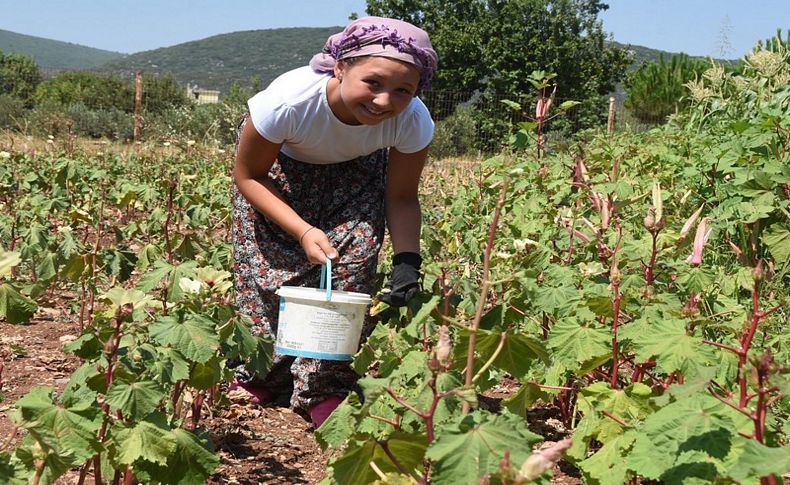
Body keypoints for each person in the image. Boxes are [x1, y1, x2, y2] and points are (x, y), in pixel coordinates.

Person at [230, 16, 438, 428]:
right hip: (278, 170)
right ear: (340, 67)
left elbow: (400, 196)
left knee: (352, 263)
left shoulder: (412, 121)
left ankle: (323, 386)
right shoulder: (288, 103)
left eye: (402, 90)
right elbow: (248, 176)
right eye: (373, 83)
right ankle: (261, 373)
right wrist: (303, 230)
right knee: (269, 271)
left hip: (357, 170)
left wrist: (407, 261)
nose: (384, 101)